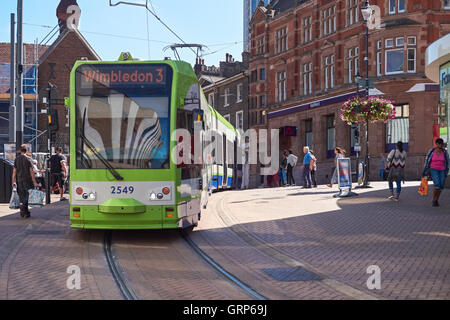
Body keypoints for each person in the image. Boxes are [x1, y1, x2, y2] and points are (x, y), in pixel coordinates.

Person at [11, 146, 38, 218]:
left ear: (20, 151)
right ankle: (24, 209)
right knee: (27, 195)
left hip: (19, 180)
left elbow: (14, 171)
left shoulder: (16, 159)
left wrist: (13, 181)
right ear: (26, 151)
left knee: (22, 195)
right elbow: (31, 171)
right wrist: (34, 181)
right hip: (28, 180)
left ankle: (24, 212)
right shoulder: (28, 159)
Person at [422, 138, 449, 207]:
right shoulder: (432, 151)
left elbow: (447, 161)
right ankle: (434, 200)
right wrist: (425, 171)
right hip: (433, 169)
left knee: (441, 185)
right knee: (437, 184)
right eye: (438, 143)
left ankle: (436, 199)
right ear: (436, 144)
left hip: (442, 170)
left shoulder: (445, 152)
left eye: (441, 144)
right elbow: (427, 160)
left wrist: (447, 170)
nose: (440, 145)